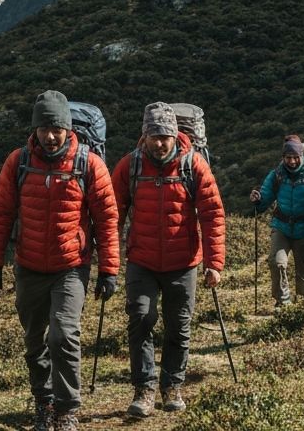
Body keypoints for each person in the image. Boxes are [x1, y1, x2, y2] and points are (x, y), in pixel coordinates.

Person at [0, 90, 120, 431]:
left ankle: (66, 409)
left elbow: (107, 220)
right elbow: (1, 214)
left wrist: (109, 270)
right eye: (44, 128)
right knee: (34, 340)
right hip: (28, 266)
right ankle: (43, 403)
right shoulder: (18, 162)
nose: (51, 135)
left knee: (63, 336)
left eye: (57, 128)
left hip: (71, 267)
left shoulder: (89, 164)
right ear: (35, 129)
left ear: (68, 128)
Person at [112, 102, 226, 418]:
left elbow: (212, 214)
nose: (160, 143)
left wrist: (214, 263)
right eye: (155, 137)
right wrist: (108, 260)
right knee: (140, 319)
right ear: (145, 136)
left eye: (166, 137)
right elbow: (113, 213)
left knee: (178, 327)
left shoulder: (193, 165)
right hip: (142, 260)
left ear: (175, 135)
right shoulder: (130, 166)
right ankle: (144, 390)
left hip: (183, 262)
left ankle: (172, 386)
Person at [250, 134, 304, 307]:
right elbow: (265, 198)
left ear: (302, 156)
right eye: (288, 157)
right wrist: (258, 200)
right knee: (277, 262)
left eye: (296, 157)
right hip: (281, 227)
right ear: (283, 157)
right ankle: (283, 302)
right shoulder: (276, 175)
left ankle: (303, 306)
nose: (292, 161)